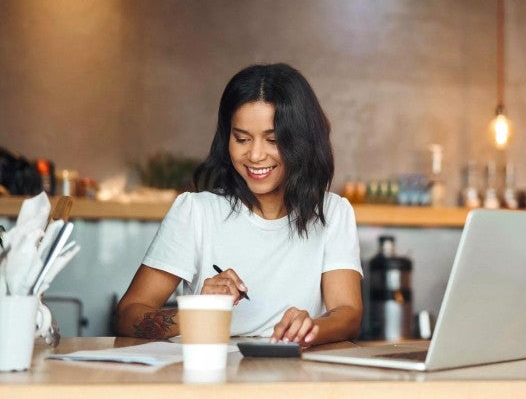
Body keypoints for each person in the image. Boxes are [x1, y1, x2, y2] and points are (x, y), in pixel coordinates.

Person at [115, 63, 363, 347]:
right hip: (210, 378)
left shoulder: (332, 213)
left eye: (273, 140)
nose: (255, 155)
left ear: (302, 141)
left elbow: (348, 314)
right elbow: (127, 315)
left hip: (296, 379)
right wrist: (200, 311)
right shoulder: (196, 212)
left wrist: (311, 328)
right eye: (242, 139)